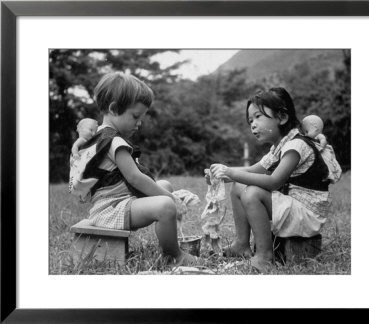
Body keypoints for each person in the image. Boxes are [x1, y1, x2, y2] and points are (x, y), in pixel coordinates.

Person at [69, 71, 197, 266]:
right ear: (113, 109)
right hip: (110, 210)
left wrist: (168, 193)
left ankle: (169, 240)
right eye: (135, 116)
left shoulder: (100, 136)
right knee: (165, 205)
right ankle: (174, 255)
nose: (139, 123)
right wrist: (173, 200)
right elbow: (135, 178)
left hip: (120, 202)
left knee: (165, 185)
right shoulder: (114, 142)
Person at [207, 88, 341, 273]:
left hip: (307, 214)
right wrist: (223, 175)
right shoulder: (279, 147)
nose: (253, 124)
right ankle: (241, 245)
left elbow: (273, 182)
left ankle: (264, 257)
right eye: (250, 120)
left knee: (253, 193)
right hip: (293, 205)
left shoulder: (296, 146)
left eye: (258, 117)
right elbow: (251, 171)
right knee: (239, 186)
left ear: (282, 117)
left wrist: (231, 172)